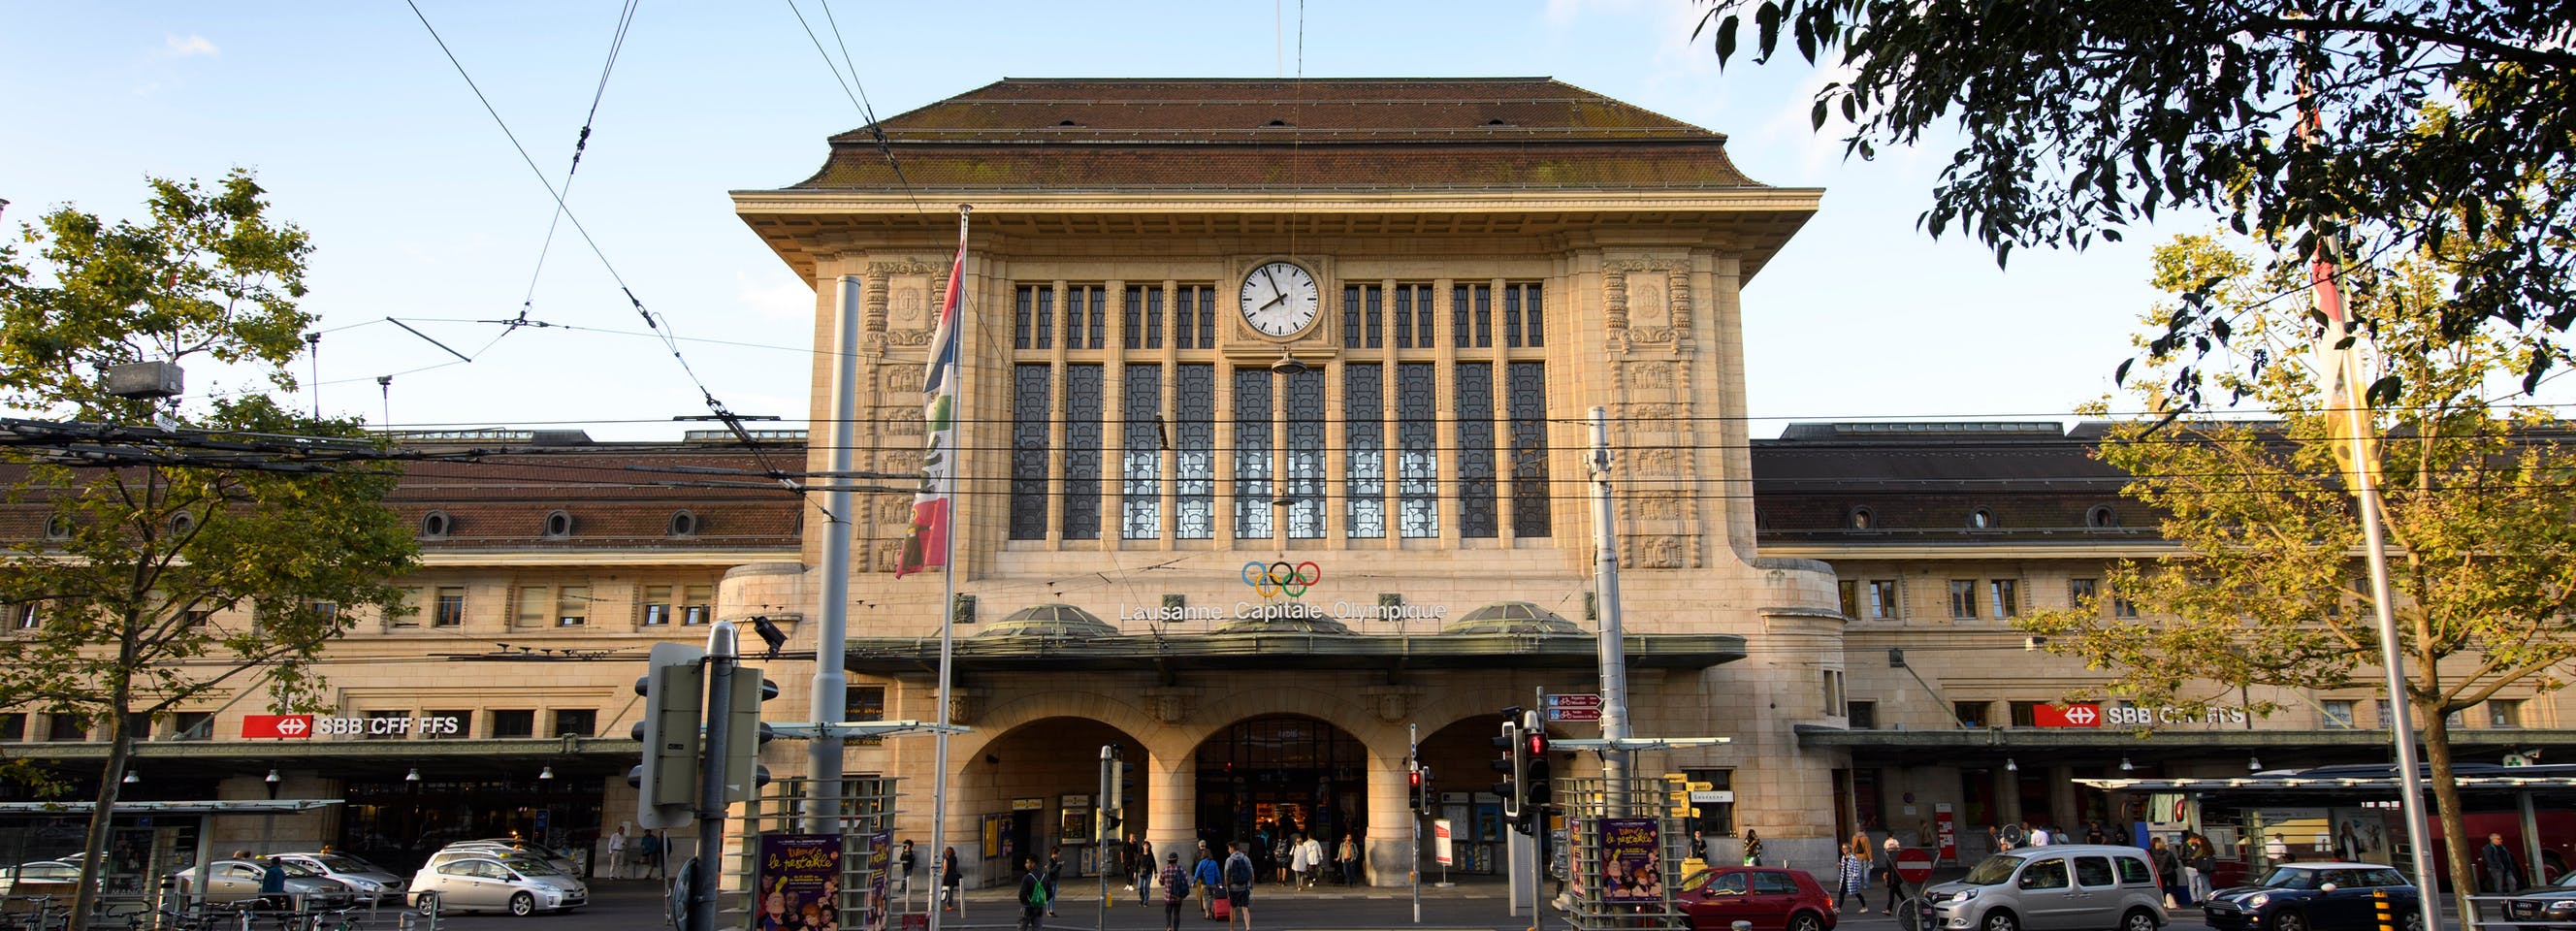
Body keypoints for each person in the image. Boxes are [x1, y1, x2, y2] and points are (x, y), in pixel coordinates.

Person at [1223, 841, 1256, 931]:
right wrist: (1251, 885)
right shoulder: (1245, 858)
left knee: (1232, 909)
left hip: (1233, 888)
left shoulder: (1229, 860)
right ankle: (1248, 927)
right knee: (1245, 908)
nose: (1228, 850)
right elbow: (1251, 873)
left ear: (1232, 848)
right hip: (1245, 887)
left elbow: (1226, 874)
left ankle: (1232, 929)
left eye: (1229, 848)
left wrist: (1227, 887)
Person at [1015, 854, 1049, 931]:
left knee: (1022, 928)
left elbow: (1022, 895)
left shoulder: (1027, 877)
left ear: (1033, 863)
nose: (1025, 865)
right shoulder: (1045, 877)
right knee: (1037, 928)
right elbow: (1049, 893)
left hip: (1027, 907)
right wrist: (1041, 901)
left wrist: (1025, 902)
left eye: (1027, 862)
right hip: (1039, 907)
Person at [1836, 841, 1871, 914]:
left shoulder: (1853, 858)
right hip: (1844, 878)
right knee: (1841, 893)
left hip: (1851, 879)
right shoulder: (1843, 857)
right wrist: (1841, 866)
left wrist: (1854, 879)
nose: (1844, 850)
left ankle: (1864, 907)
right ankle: (1838, 908)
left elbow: (1856, 870)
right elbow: (1845, 868)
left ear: (1849, 849)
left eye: (1845, 848)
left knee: (1857, 893)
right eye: (1843, 849)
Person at [1159, 851, 1188, 931]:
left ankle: (1168, 927)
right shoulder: (1180, 869)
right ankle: (1176, 929)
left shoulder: (1165, 869)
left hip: (1168, 896)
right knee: (1177, 914)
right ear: (1176, 860)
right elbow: (1186, 880)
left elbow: (1161, 882)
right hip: (1178, 897)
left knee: (1168, 913)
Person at [2149, 837, 2181, 909]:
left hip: (2160, 873)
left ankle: (2164, 903)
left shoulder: (2152, 854)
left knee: (2163, 888)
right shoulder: (2168, 853)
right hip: (2171, 873)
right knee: (2174, 888)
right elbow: (2174, 864)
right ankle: (2177, 903)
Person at [1193, 844, 1224, 917]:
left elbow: (1197, 873)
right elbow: (1217, 874)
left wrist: (1194, 881)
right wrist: (1219, 883)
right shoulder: (1214, 863)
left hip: (1204, 883)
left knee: (1205, 898)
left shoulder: (1201, 863)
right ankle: (1213, 911)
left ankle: (1207, 914)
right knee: (1213, 897)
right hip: (1213, 883)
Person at [1880, 835, 1908, 915]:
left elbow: (1893, 869)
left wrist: (1889, 877)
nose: (1888, 850)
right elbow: (1889, 869)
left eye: (1890, 849)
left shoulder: (1894, 858)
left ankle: (1889, 909)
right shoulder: (1891, 857)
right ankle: (1908, 904)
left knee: (1891, 894)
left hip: (1894, 879)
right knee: (1899, 894)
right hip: (1894, 878)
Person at [1045, 847, 1064, 917]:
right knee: (1050, 897)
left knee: (1053, 896)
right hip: (1051, 881)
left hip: (1055, 880)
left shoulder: (1055, 861)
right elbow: (1050, 871)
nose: (1059, 855)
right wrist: (1058, 865)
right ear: (1054, 854)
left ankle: (1051, 910)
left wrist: (1060, 865)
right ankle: (1048, 911)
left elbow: (1056, 870)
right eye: (1058, 854)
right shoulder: (1050, 861)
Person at [1135, 838, 1156, 905]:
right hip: (1141, 872)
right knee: (1140, 887)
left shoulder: (1150, 854)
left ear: (1149, 847)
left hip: (1149, 872)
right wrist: (1135, 872)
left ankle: (1146, 902)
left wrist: (1155, 872)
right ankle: (1142, 898)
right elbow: (1137, 863)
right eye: (1145, 846)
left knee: (1147, 887)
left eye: (1147, 846)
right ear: (1143, 846)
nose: (1146, 847)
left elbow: (1154, 863)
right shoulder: (1140, 854)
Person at [941, 846, 961, 912]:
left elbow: (945, 869)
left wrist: (942, 877)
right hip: (954, 876)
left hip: (948, 877)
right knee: (951, 891)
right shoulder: (955, 858)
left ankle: (948, 905)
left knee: (947, 891)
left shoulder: (946, 859)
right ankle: (950, 905)